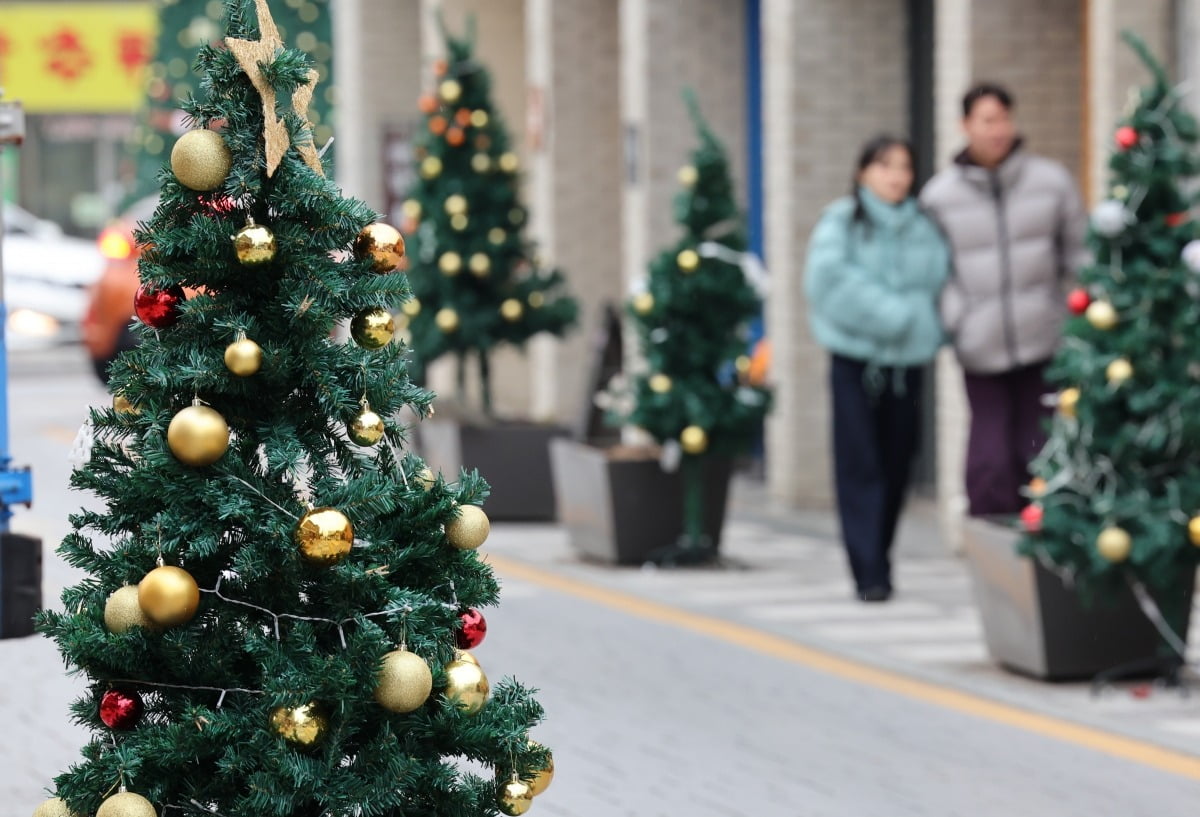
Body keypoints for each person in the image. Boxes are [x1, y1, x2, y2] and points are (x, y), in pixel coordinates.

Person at [920, 83, 1087, 517]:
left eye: (1004, 119)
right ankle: (992, 557)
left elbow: (1081, 254)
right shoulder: (940, 198)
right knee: (990, 459)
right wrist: (961, 320)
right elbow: (932, 273)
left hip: (1044, 341)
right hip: (980, 346)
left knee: (1039, 450)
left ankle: (1045, 556)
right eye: (987, 120)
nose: (998, 130)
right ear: (965, 126)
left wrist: (1074, 316)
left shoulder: (1050, 182)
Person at [804, 135, 950, 602]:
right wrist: (893, 315)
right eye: (885, 166)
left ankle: (881, 557)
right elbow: (826, 280)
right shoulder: (842, 221)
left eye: (904, 167)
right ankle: (867, 572)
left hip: (906, 365)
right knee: (859, 464)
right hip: (855, 361)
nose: (896, 176)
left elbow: (940, 283)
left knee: (897, 465)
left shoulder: (924, 225)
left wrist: (930, 327)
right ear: (863, 172)